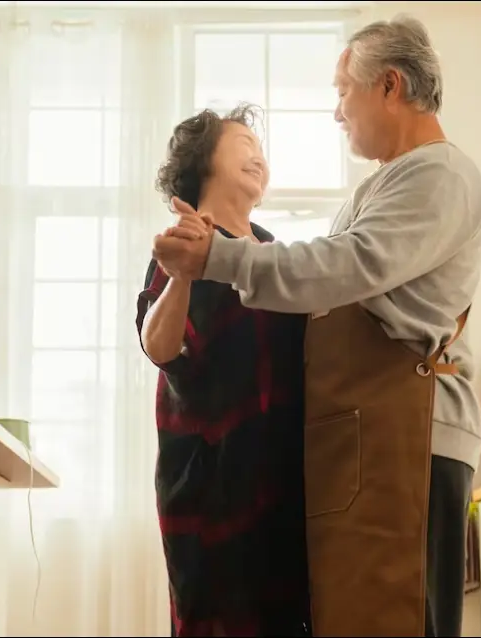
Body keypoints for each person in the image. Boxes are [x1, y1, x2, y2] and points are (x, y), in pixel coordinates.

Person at [152, 15, 481, 638]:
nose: (338, 112)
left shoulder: (438, 175)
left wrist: (219, 258)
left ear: (389, 86)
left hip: (410, 434)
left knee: (401, 617)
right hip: (375, 436)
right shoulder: (390, 182)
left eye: (343, 92)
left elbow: (347, 265)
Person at [136, 104, 310, 638]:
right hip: (209, 488)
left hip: (282, 481)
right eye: (243, 146)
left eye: (261, 151)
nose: (259, 158)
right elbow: (158, 346)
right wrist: (182, 274)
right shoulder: (182, 244)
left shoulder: (273, 252)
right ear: (204, 161)